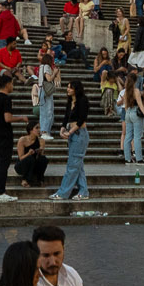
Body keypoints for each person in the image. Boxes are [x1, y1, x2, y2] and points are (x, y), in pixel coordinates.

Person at [52, 72, 93, 203]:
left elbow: (81, 120)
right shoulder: (70, 101)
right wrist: (62, 129)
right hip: (72, 132)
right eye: (68, 87)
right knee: (78, 165)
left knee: (73, 165)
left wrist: (70, 132)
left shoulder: (83, 101)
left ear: (76, 89)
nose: (68, 89)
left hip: (79, 134)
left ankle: (63, 192)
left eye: (70, 87)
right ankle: (83, 191)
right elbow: (66, 117)